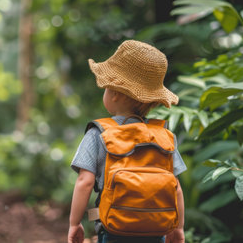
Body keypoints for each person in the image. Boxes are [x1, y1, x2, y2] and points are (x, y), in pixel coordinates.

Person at [68, 40, 187, 243]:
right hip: (155, 231)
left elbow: (84, 182)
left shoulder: (98, 133)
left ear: (114, 93)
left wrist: (74, 223)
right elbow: (175, 186)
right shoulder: (163, 135)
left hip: (114, 230)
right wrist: (178, 227)